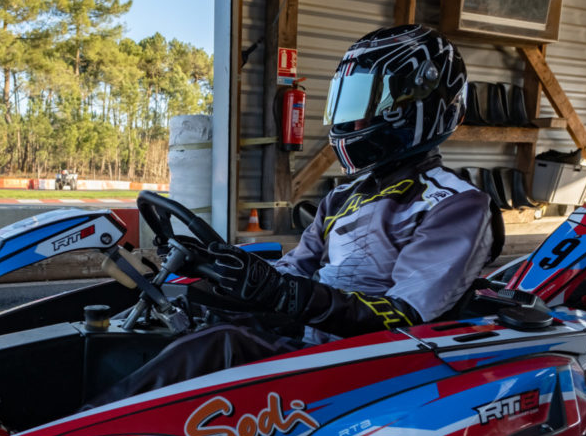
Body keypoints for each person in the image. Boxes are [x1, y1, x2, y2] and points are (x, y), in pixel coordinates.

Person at [96, 24, 496, 405]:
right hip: (315, 341)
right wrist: (226, 274)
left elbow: (404, 317)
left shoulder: (456, 205)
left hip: (376, 366)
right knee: (195, 319)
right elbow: (294, 273)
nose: (351, 119)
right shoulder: (344, 196)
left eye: (364, 102)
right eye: (349, 101)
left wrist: (281, 293)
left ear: (407, 110)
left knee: (220, 347)